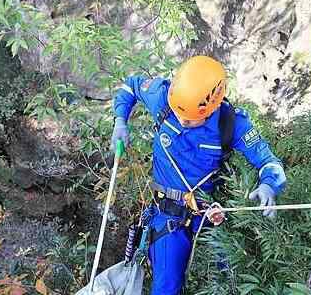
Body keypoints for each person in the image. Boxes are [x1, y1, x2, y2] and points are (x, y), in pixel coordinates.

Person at [110, 55, 286, 295]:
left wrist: (269, 186)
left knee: (228, 282)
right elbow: (130, 86)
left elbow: (268, 161)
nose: (182, 121)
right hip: (166, 215)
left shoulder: (231, 124)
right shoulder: (164, 98)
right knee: (165, 287)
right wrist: (120, 121)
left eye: (190, 120)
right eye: (178, 114)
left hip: (207, 215)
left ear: (212, 105)